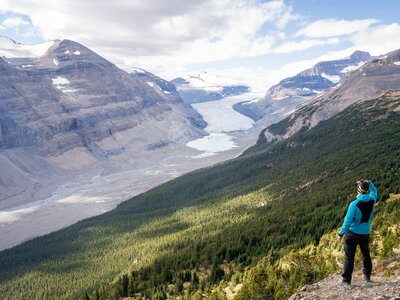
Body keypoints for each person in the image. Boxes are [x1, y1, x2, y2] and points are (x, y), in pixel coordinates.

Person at [337, 179, 378, 285]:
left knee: (349, 256)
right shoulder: (372, 200)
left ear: (358, 190)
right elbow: (374, 191)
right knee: (366, 254)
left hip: (352, 233)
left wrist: (340, 234)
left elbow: (347, 221)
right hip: (365, 233)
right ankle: (367, 276)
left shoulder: (354, 204)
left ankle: (346, 280)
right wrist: (369, 182)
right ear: (367, 189)